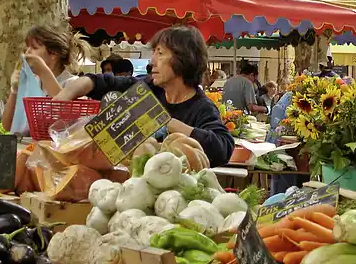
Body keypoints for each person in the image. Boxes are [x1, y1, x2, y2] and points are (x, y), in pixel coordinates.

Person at [55, 26, 234, 167]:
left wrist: (166, 122)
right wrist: (69, 91)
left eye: (160, 53)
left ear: (184, 59)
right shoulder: (148, 88)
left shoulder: (202, 108)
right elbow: (104, 82)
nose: (151, 62)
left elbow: (223, 147)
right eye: (153, 53)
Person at [2, 25, 91, 134]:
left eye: (34, 48)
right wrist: (14, 90)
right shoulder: (31, 83)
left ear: (53, 54)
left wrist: (43, 71)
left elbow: (70, 124)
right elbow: (6, 126)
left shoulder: (73, 84)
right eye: (27, 48)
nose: (27, 52)